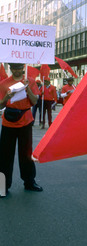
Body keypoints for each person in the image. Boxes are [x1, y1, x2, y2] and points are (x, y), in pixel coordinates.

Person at [0, 63, 43, 195]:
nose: (16, 70)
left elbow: (34, 101)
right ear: (11, 68)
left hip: (25, 120)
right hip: (9, 122)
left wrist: (27, 89)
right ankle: (3, 186)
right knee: (5, 156)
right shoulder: (3, 83)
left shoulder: (29, 81)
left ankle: (29, 182)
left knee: (26, 154)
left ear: (23, 68)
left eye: (19, 68)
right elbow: (0, 104)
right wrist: (6, 98)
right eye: (14, 68)